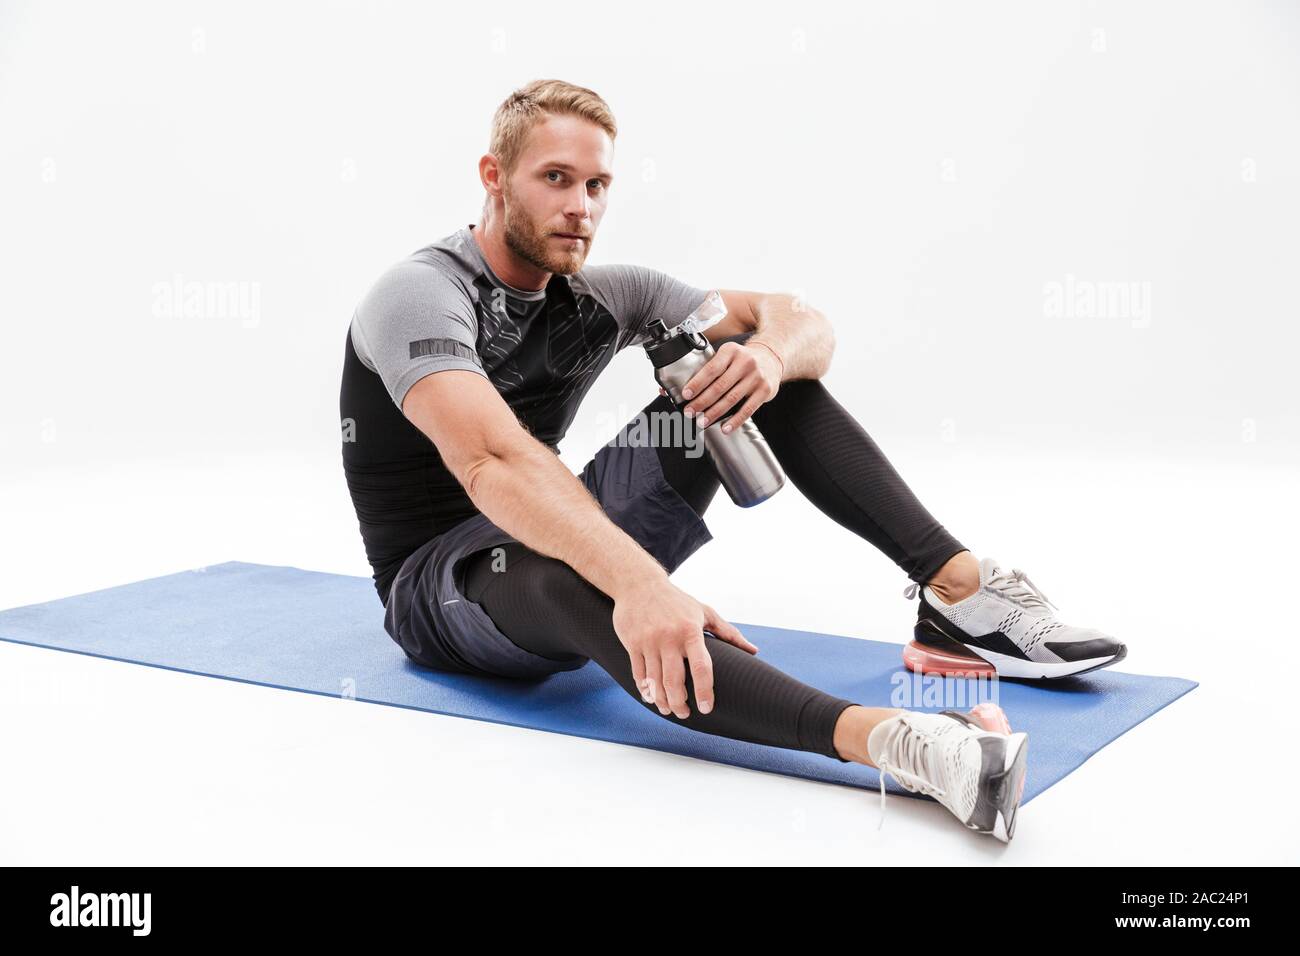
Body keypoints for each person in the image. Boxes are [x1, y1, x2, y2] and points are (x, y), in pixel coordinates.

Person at [339, 79, 1121, 841]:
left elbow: (797, 316)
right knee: (560, 571)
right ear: (493, 177)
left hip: (555, 516)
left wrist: (772, 358)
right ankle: (903, 745)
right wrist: (640, 583)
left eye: (597, 184)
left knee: (738, 368)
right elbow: (494, 462)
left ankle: (957, 596)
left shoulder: (607, 295)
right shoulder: (420, 293)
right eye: (555, 179)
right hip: (441, 584)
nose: (580, 207)